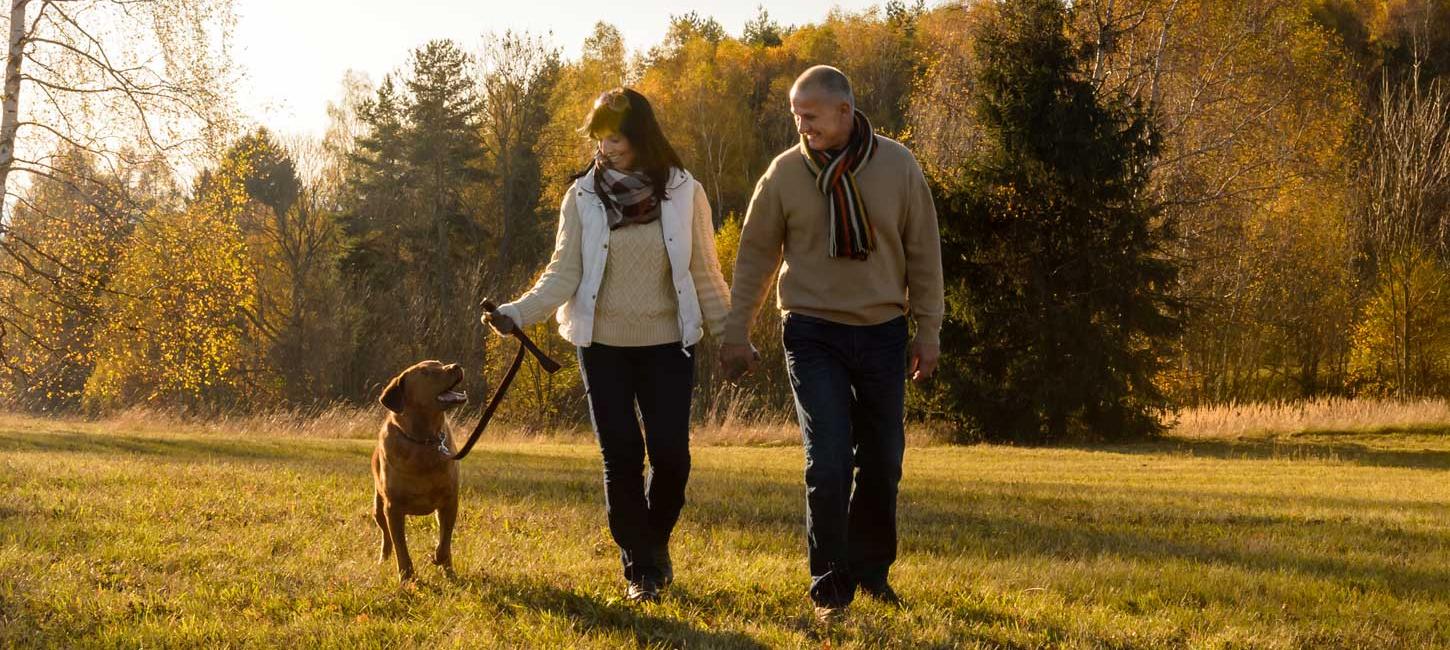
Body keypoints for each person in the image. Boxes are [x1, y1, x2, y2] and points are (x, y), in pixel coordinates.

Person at [483, 87, 730, 603]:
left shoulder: (686, 192)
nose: (605, 146)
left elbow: (706, 274)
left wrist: (734, 337)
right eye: (599, 136)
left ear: (641, 136)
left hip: (669, 344)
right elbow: (563, 274)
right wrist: (516, 313)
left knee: (672, 458)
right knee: (621, 454)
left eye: (615, 136)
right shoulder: (583, 196)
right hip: (603, 346)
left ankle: (653, 547)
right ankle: (641, 569)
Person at [720, 65, 944, 624]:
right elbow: (754, 258)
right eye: (797, 116)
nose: (802, 126)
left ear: (845, 112)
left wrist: (929, 330)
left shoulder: (898, 166)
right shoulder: (784, 174)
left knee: (884, 460)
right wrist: (735, 330)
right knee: (827, 462)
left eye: (811, 116)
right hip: (812, 330)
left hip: (883, 332)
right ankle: (828, 583)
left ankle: (871, 573)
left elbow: (924, 253)